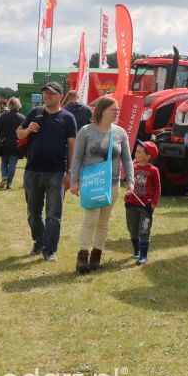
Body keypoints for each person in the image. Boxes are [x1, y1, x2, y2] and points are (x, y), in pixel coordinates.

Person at [70, 96, 134, 274]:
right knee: (90, 220)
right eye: (114, 109)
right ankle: (82, 256)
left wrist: (131, 181)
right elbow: (77, 158)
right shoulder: (86, 131)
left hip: (112, 185)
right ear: (103, 110)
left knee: (103, 222)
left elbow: (127, 160)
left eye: (118, 109)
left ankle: (96, 255)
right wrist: (74, 181)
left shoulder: (120, 133)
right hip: (91, 183)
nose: (117, 112)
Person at [16, 82, 77, 262]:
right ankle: (39, 241)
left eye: (51, 93)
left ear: (60, 96)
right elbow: (18, 133)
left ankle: (49, 249)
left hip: (56, 173)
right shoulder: (35, 113)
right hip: (32, 171)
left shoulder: (67, 118)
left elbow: (72, 146)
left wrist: (70, 172)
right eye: (45, 93)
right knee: (33, 212)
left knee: (53, 214)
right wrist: (28, 129)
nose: (47, 96)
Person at [125, 140, 160, 266]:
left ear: (148, 156)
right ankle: (136, 250)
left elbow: (158, 188)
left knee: (144, 230)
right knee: (133, 229)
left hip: (145, 206)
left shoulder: (153, 170)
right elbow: (125, 179)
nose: (136, 153)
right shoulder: (131, 168)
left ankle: (143, 256)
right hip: (131, 204)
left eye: (139, 152)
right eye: (136, 151)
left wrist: (153, 204)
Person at [0, 97, 25, 190]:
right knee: (12, 164)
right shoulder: (22, 117)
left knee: (4, 162)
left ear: (8, 105)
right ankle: (8, 183)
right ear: (18, 105)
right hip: (16, 144)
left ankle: (4, 177)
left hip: (4, 143)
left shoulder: (3, 116)